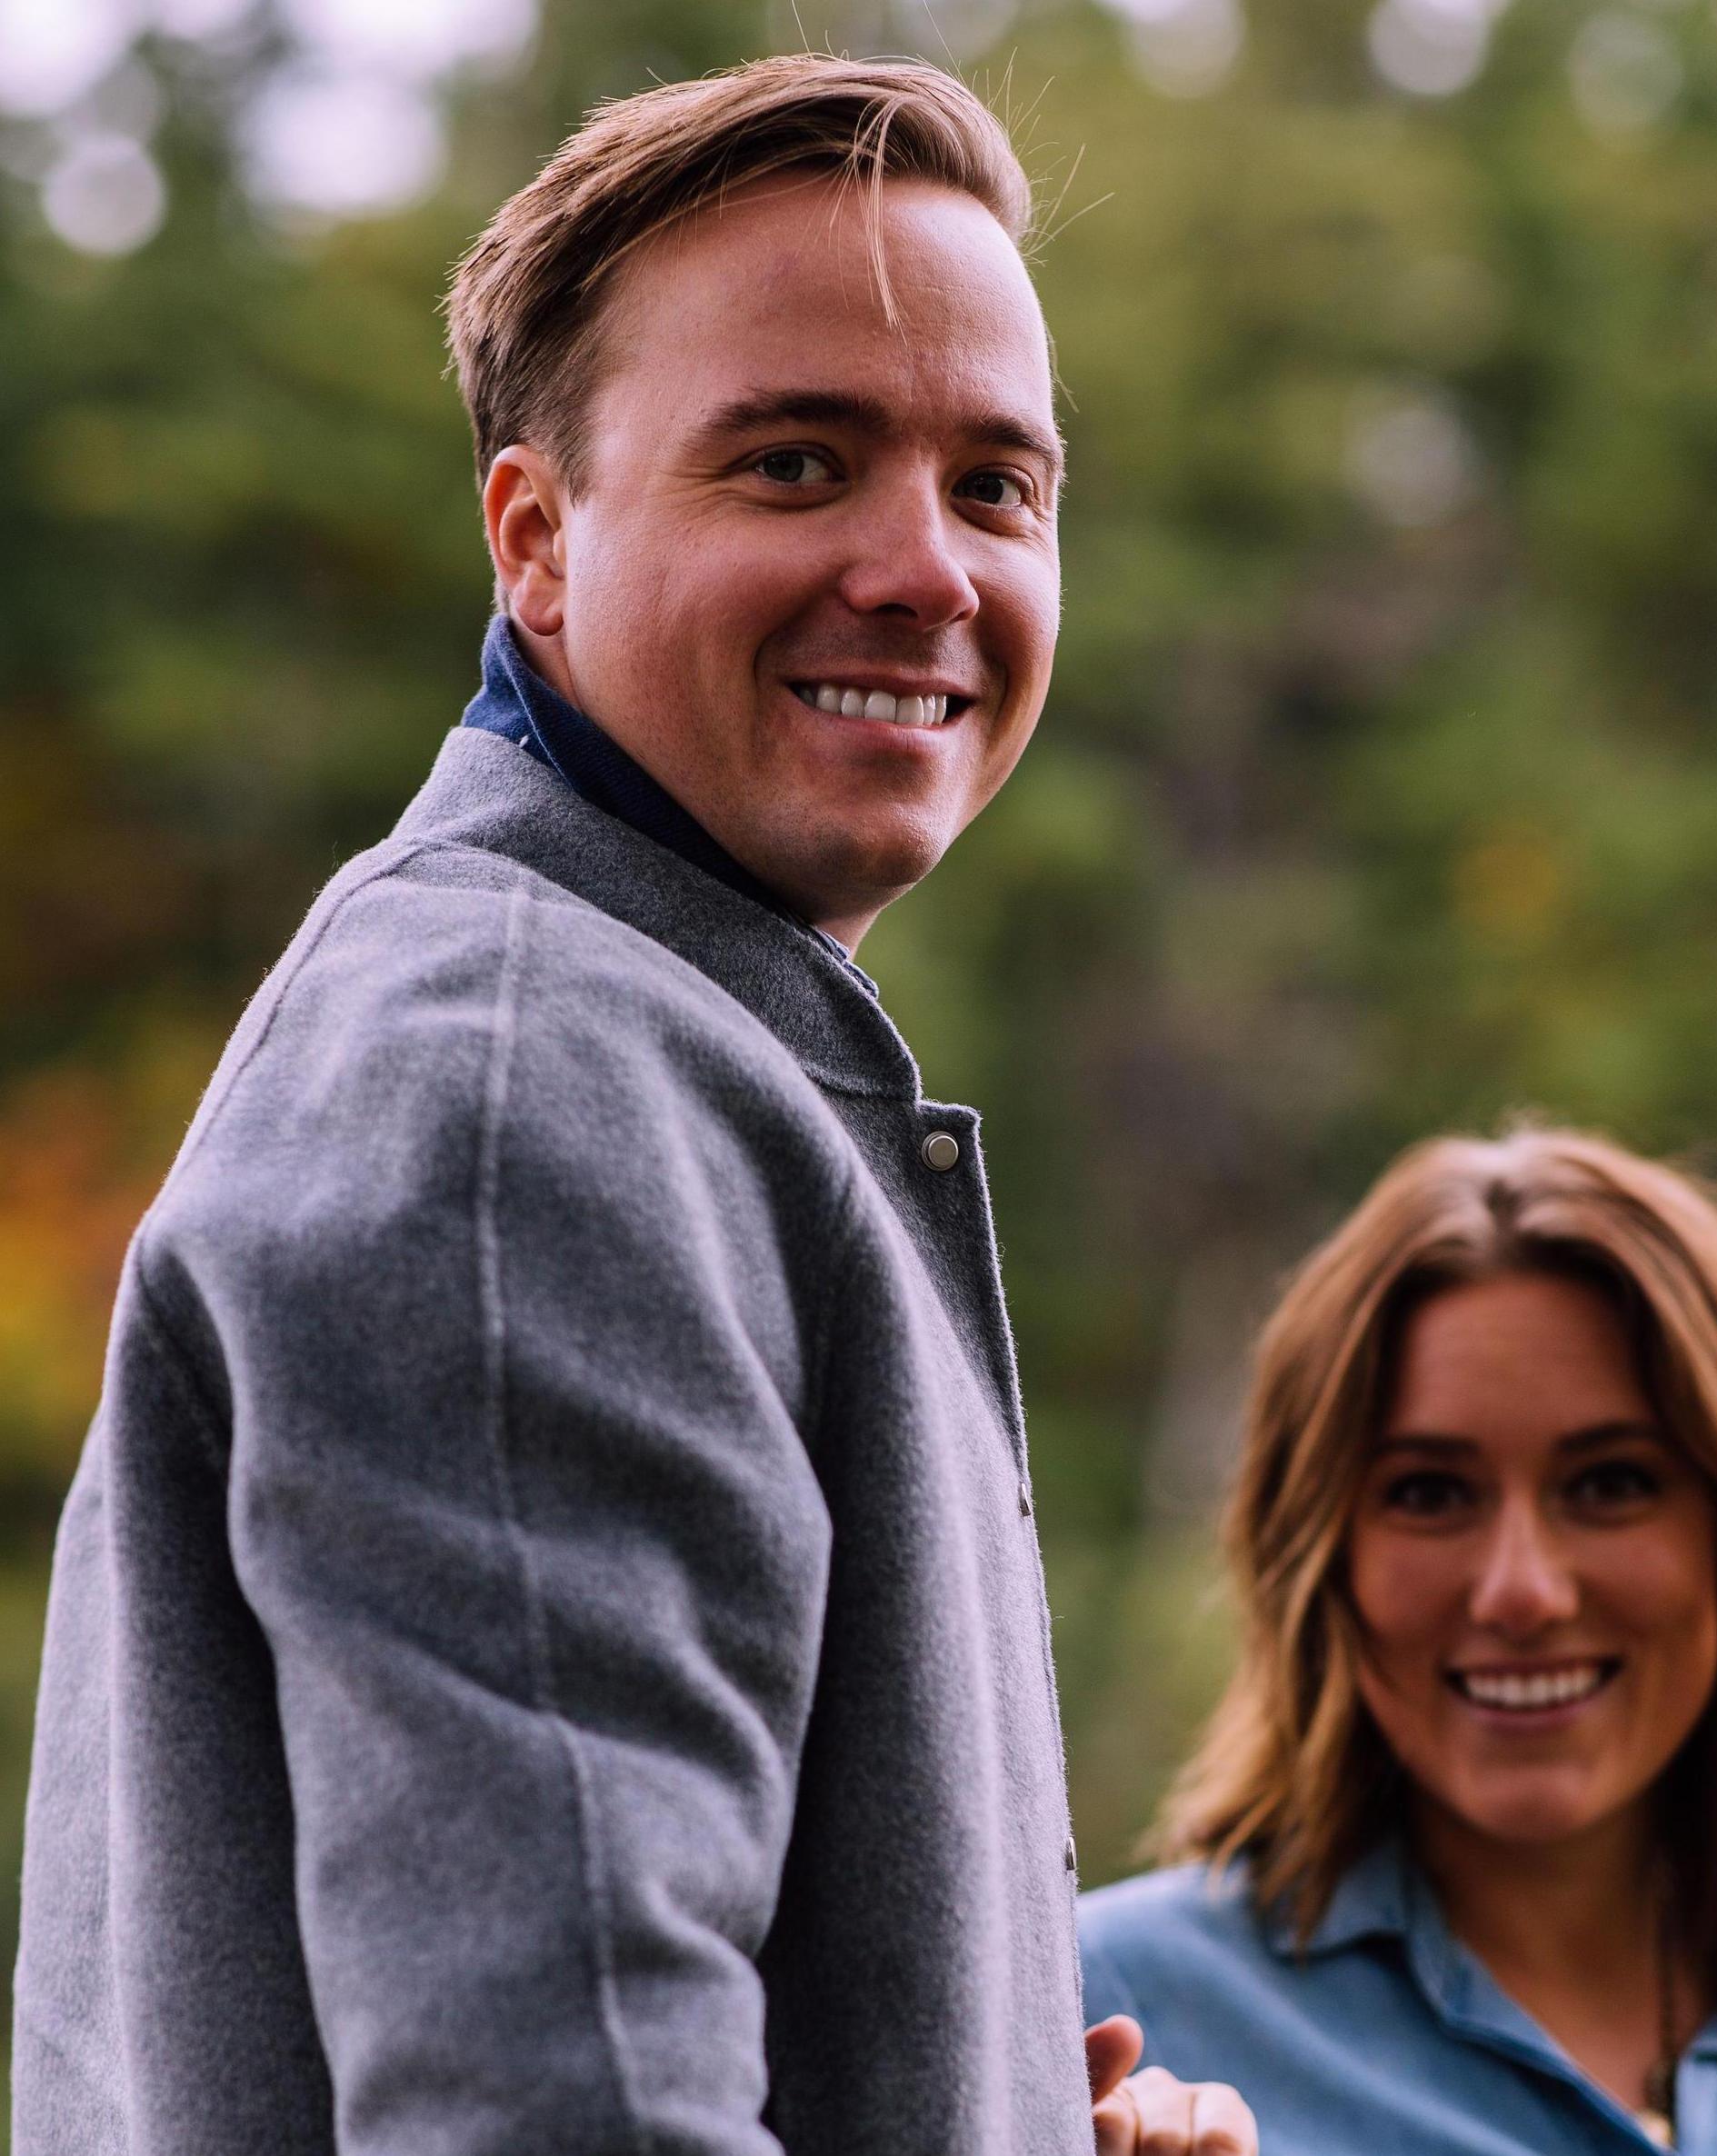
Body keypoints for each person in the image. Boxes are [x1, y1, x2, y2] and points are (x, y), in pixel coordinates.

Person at [14, 57, 1251, 2156]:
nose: (924, 567)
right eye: (795, 462)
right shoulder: (520, 1108)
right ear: (536, 539)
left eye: (996, 486)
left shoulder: (629, 1040)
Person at [1080, 1127, 1717, 2155]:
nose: (1522, 1591)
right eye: (1430, 1493)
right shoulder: (1100, 2020)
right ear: (1322, 1556)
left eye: (1610, 1483)